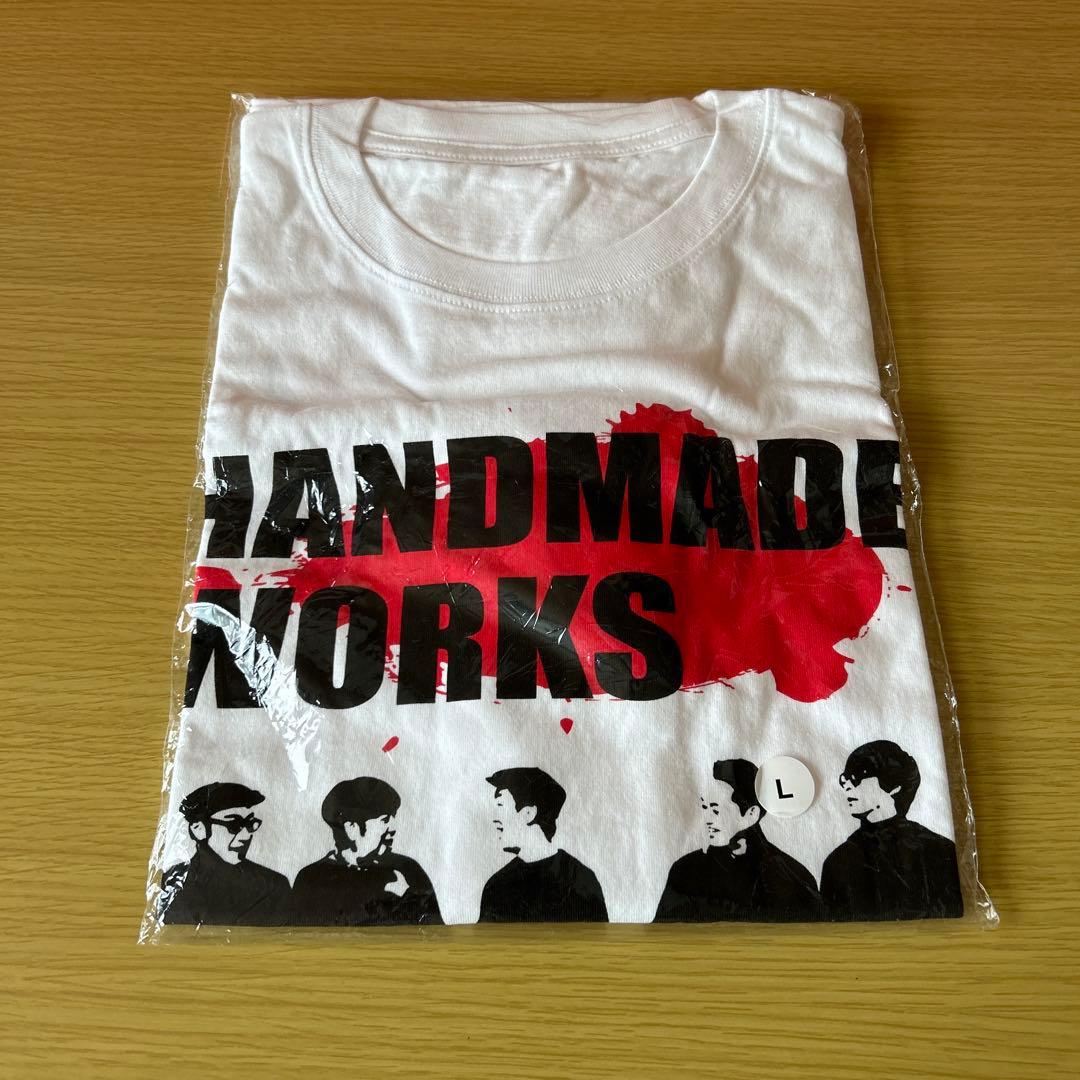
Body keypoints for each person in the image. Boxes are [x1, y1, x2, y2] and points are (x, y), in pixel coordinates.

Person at [653, 759, 824, 922]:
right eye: (704, 807)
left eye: (715, 810)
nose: (707, 819)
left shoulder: (791, 875)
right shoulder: (685, 870)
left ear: (751, 814)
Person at [820, 740, 964, 919]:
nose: (847, 786)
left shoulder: (941, 851)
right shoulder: (838, 862)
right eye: (845, 779)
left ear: (895, 786)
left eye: (858, 778)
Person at [290, 777, 442, 926]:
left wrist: (408, 902)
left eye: (393, 819)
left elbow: (436, 935)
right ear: (351, 827)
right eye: (384, 820)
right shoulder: (312, 879)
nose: (393, 829)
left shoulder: (407, 870)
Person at [478, 767, 607, 922]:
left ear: (528, 813)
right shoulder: (497, 886)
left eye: (500, 806)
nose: (495, 818)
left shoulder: (580, 881)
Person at [159, 781, 290, 926]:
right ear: (198, 829)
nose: (245, 836)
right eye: (234, 826)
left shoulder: (273, 884)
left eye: (250, 824)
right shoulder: (174, 883)